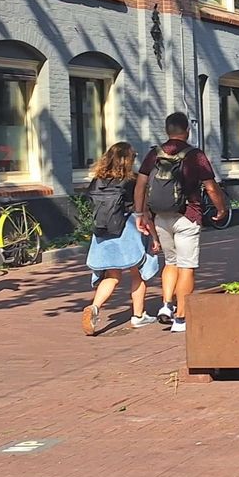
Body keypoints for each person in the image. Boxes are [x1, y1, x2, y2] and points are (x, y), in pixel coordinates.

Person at [135, 113, 226, 334]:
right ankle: (181, 317)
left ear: (167, 130)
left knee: (170, 262)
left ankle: (167, 305)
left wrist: (140, 213)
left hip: (160, 216)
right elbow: (211, 187)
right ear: (187, 130)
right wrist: (221, 208)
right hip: (188, 215)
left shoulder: (154, 154)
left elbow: (140, 185)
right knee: (186, 266)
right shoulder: (195, 155)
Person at [82, 142, 162, 335]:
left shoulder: (97, 181)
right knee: (138, 273)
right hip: (128, 230)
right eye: (134, 156)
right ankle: (138, 316)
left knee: (112, 276)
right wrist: (154, 237)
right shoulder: (132, 181)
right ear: (128, 160)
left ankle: (94, 307)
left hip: (103, 232)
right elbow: (143, 212)